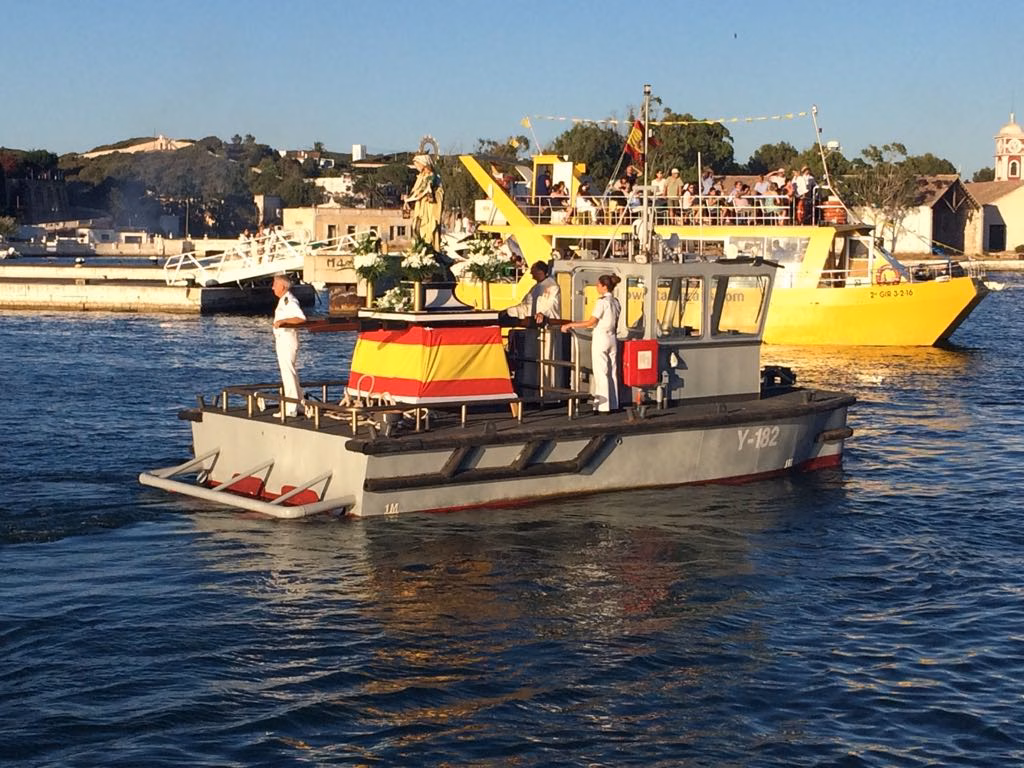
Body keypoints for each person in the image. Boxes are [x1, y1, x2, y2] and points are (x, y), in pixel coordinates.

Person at [564, 273, 622, 413]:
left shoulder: (602, 302)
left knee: (601, 371)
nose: (597, 287)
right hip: (612, 337)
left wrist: (571, 324)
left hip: (601, 337)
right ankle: (614, 403)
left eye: (598, 285)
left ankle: (603, 406)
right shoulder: (616, 302)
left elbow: (591, 322)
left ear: (604, 286)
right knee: (612, 371)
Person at [271, 274, 307, 418]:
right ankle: (299, 403)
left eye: (275, 284)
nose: (272, 287)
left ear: (282, 286)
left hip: (287, 339)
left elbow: (300, 318)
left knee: (288, 373)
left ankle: (291, 407)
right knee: (290, 372)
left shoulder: (288, 300)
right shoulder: (283, 300)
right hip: (282, 339)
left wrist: (283, 321)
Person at [501, 260, 560, 325]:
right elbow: (525, 304)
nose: (530, 273)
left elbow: (545, 307)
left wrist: (512, 312)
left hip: (546, 326)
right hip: (532, 323)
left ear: (540, 271)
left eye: (533, 270)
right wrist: (509, 311)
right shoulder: (536, 287)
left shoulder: (551, 287)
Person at [404, 153, 443, 249]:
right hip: (420, 206)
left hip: (429, 207)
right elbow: (416, 191)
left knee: (427, 228)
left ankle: (429, 247)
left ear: (424, 163)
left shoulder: (431, 176)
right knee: (417, 226)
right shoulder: (421, 177)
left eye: (417, 164)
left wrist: (414, 197)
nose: (416, 167)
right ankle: (420, 247)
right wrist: (408, 199)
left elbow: (426, 189)